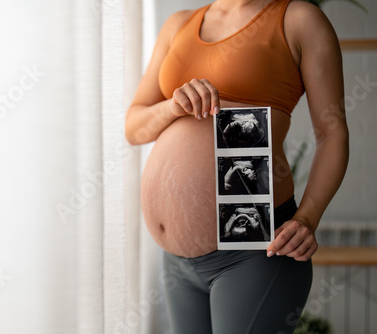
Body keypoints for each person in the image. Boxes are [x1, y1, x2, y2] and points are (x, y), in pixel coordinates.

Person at [125, 0, 349, 333]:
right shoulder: (178, 24)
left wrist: (307, 217)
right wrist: (173, 107)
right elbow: (134, 126)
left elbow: (331, 134)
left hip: (254, 249)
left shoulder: (298, 19)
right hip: (176, 262)